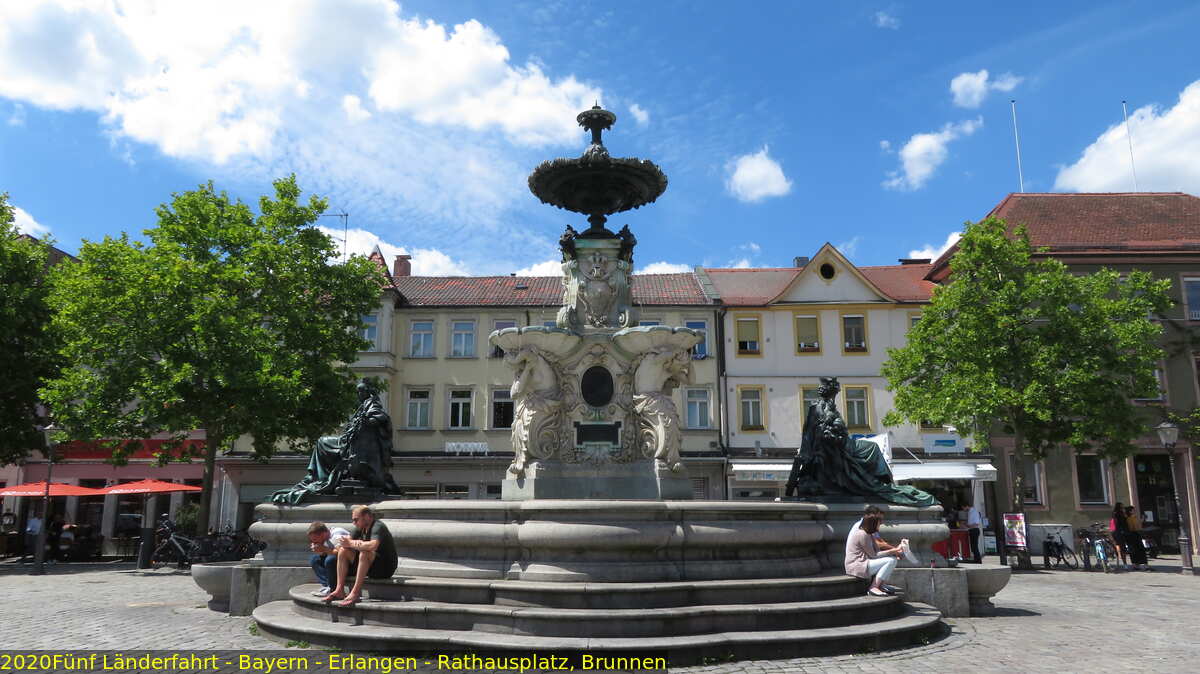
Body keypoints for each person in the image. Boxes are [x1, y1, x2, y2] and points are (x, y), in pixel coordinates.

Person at [323, 505, 398, 607]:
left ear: (366, 517)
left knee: (364, 553)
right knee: (343, 551)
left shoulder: (378, 526)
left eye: (356, 519)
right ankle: (339, 589)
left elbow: (373, 545)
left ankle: (355, 593)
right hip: (370, 566)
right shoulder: (360, 527)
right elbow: (345, 543)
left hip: (385, 568)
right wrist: (351, 543)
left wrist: (354, 544)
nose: (354, 523)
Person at [845, 511, 903, 596]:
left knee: (892, 559)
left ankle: (881, 584)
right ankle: (873, 587)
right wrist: (893, 551)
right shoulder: (862, 534)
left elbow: (877, 551)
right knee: (890, 561)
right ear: (872, 524)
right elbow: (874, 555)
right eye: (878, 524)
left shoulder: (870, 534)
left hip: (864, 563)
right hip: (857, 565)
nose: (880, 525)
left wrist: (895, 551)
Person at [307, 521, 352, 597]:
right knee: (314, 559)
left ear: (323, 534)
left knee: (330, 560)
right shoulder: (325, 539)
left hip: (348, 564)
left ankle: (333, 588)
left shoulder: (337, 534)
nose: (314, 542)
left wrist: (323, 548)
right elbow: (328, 552)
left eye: (315, 539)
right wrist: (319, 551)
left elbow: (341, 553)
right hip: (337, 563)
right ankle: (327, 585)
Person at [1124, 505, 1150, 571]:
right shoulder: (1130, 518)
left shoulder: (1127, 518)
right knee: (1139, 549)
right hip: (1133, 534)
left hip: (1131, 535)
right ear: (1130, 511)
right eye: (1133, 510)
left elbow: (1137, 524)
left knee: (1134, 550)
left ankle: (1136, 565)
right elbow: (1135, 526)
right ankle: (1142, 565)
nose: (1134, 511)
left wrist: (1142, 519)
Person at [1110, 502, 1131, 570]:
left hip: (1117, 532)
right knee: (1122, 547)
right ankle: (1124, 563)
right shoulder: (1118, 514)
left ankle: (1120, 559)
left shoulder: (1116, 513)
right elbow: (1119, 523)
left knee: (1119, 546)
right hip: (1120, 532)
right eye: (1122, 507)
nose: (1123, 508)